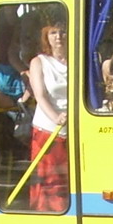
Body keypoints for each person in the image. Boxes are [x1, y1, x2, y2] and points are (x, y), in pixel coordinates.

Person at [27, 21, 69, 212]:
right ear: (47, 38)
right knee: (50, 184)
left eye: (62, 32)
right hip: (49, 130)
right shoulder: (38, 62)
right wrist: (55, 117)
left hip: (76, 128)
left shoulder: (79, 60)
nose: (59, 36)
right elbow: (40, 95)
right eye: (53, 33)